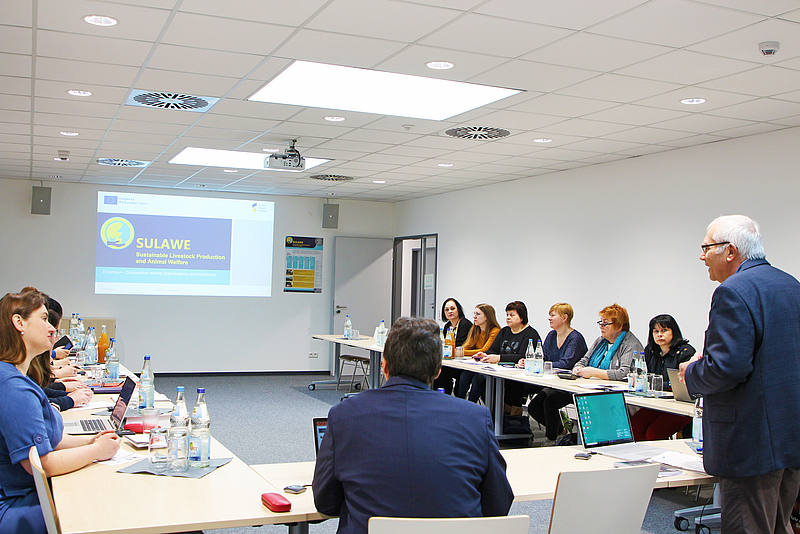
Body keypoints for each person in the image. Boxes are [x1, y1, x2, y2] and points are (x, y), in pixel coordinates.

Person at [313, 317, 513, 534]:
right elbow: (498, 504)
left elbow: (325, 502)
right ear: (438, 371)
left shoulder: (343, 415)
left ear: (384, 365)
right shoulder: (476, 418)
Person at [679, 215, 800, 534]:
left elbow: (727, 368)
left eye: (707, 247)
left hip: (751, 442)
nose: (702, 256)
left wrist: (692, 372)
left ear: (730, 251)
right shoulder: (791, 285)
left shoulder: (733, 291)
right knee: (779, 525)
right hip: (790, 436)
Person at [0, 291, 121, 533]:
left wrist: (90, 441)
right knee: (108, 503)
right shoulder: (14, 387)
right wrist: (96, 451)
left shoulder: (16, 376)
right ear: (19, 323)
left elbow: (48, 439)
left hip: (27, 492)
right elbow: (42, 464)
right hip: (17, 502)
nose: (52, 328)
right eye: (44, 319)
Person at [532, 303, 642, 446]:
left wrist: (593, 372)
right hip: (586, 387)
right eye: (600, 323)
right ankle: (557, 437)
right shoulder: (600, 341)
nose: (601, 327)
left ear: (619, 326)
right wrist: (578, 368)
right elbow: (583, 360)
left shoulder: (630, 344)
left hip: (614, 395)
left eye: (605, 323)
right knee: (547, 401)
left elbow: (624, 373)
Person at [526, 303, 588, 443]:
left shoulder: (575, 338)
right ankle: (560, 430)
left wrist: (543, 365)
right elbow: (543, 357)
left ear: (565, 318)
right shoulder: (551, 335)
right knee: (534, 407)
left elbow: (566, 364)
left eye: (553, 315)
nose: (549, 318)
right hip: (554, 383)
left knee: (549, 402)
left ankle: (551, 438)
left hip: (571, 386)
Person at [630, 314, 695, 441]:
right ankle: (641, 453)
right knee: (634, 427)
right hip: (657, 403)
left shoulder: (685, 352)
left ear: (673, 331)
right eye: (656, 331)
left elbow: (684, 383)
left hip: (680, 406)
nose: (659, 335)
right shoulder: (650, 351)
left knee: (654, 433)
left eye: (664, 330)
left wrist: (655, 384)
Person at [469, 301, 540, 407]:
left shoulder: (530, 334)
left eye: (512, 315)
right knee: (477, 378)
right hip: (501, 372)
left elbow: (522, 356)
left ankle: (497, 412)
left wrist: (499, 358)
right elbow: (493, 350)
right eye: (507, 315)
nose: (508, 318)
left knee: (484, 381)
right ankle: (483, 410)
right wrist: (484, 355)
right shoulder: (505, 331)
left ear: (521, 317)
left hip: (519, 377)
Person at [456, 304, 501, 401]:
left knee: (477, 379)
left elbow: (484, 350)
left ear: (486, 317)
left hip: (490, 366)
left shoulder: (495, 331)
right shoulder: (475, 329)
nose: (474, 317)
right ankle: (460, 401)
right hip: (478, 364)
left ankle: (471, 405)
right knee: (464, 376)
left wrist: (460, 352)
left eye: (478, 314)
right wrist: (459, 351)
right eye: (474, 313)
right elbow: (467, 345)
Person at [433, 298, 472, 394]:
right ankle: (437, 395)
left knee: (443, 371)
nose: (450, 311)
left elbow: (459, 345)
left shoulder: (465, 324)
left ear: (458, 309)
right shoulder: (447, 326)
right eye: (446, 310)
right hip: (451, 361)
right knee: (437, 369)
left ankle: (444, 396)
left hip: (463, 362)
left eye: (452, 308)